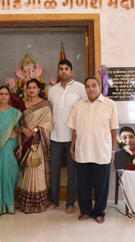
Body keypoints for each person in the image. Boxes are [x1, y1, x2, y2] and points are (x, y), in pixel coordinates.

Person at [67, 76, 119, 224]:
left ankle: (99, 212)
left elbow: (114, 130)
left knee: (101, 184)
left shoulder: (110, 104)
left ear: (99, 87)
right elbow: (75, 129)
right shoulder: (79, 105)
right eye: (88, 86)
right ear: (85, 89)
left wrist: (113, 151)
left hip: (102, 151)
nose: (91, 88)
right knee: (83, 184)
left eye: (94, 85)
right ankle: (85, 211)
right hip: (82, 151)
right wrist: (72, 147)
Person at [46, 59, 86, 214]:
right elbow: (48, 112)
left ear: (72, 71)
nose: (63, 71)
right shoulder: (52, 90)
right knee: (54, 170)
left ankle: (70, 203)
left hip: (73, 137)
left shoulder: (80, 88)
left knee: (72, 172)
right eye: (61, 69)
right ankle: (54, 201)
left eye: (66, 69)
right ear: (58, 71)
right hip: (55, 136)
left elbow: (84, 110)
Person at [17, 79, 53, 214]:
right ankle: (26, 203)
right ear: (26, 90)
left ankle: (39, 203)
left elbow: (49, 124)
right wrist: (24, 130)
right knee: (28, 172)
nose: (31, 90)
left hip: (39, 142)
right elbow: (19, 125)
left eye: (34, 87)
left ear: (39, 89)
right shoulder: (23, 106)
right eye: (29, 87)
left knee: (38, 171)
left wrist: (37, 130)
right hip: (27, 142)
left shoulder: (45, 105)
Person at [0, 86, 23, 215]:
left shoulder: (14, 112)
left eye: (6, 94)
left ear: (9, 96)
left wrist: (20, 146)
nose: (3, 96)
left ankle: (9, 203)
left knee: (11, 174)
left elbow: (18, 130)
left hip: (11, 144)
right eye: (1, 94)